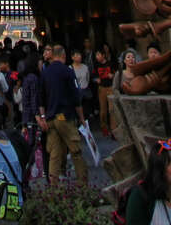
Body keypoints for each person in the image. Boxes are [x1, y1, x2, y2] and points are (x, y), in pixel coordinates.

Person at [38, 43, 88, 184]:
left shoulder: (45, 73)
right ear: (64, 56)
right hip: (65, 116)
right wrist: (82, 118)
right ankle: (83, 184)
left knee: (54, 154)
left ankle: (53, 187)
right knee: (75, 150)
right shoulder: (68, 71)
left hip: (50, 118)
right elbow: (76, 98)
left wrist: (43, 117)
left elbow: (41, 99)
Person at [94, 48, 115, 138]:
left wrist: (112, 75)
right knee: (103, 110)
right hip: (101, 88)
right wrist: (96, 79)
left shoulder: (110, 64)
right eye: (96, 55)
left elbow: (116, 73)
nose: (97, 57)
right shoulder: (96, 65)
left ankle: (114, 130)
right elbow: (93, 76)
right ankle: (104, 128)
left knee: (112, 109)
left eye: (99, 55)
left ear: (103, 55)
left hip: (110, 87)